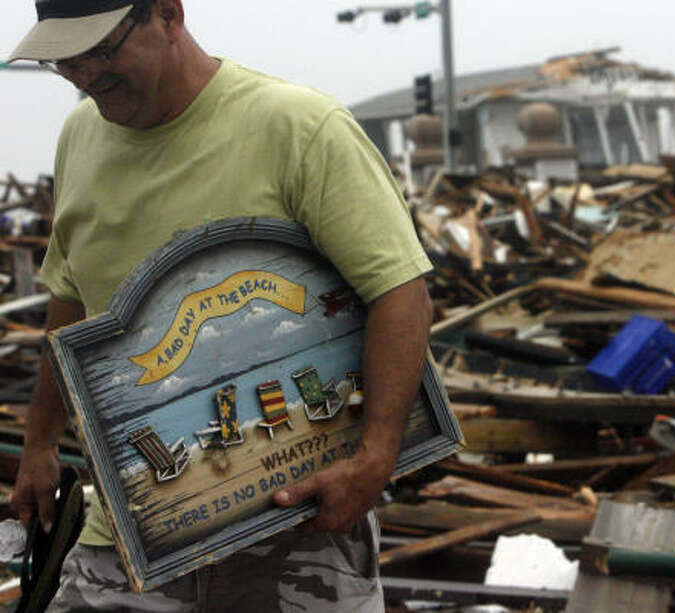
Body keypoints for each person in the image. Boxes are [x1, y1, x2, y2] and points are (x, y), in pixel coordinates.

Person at [7, 0, 434, 610]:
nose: (84, 77)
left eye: (101, 51)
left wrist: (375, 458)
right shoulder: (80, 137)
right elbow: (72, 303)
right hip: (129, 534)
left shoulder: (298, 127)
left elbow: (400, 292)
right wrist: (40, 442)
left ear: (167, 14)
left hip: (296, 534)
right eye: (64, 62)